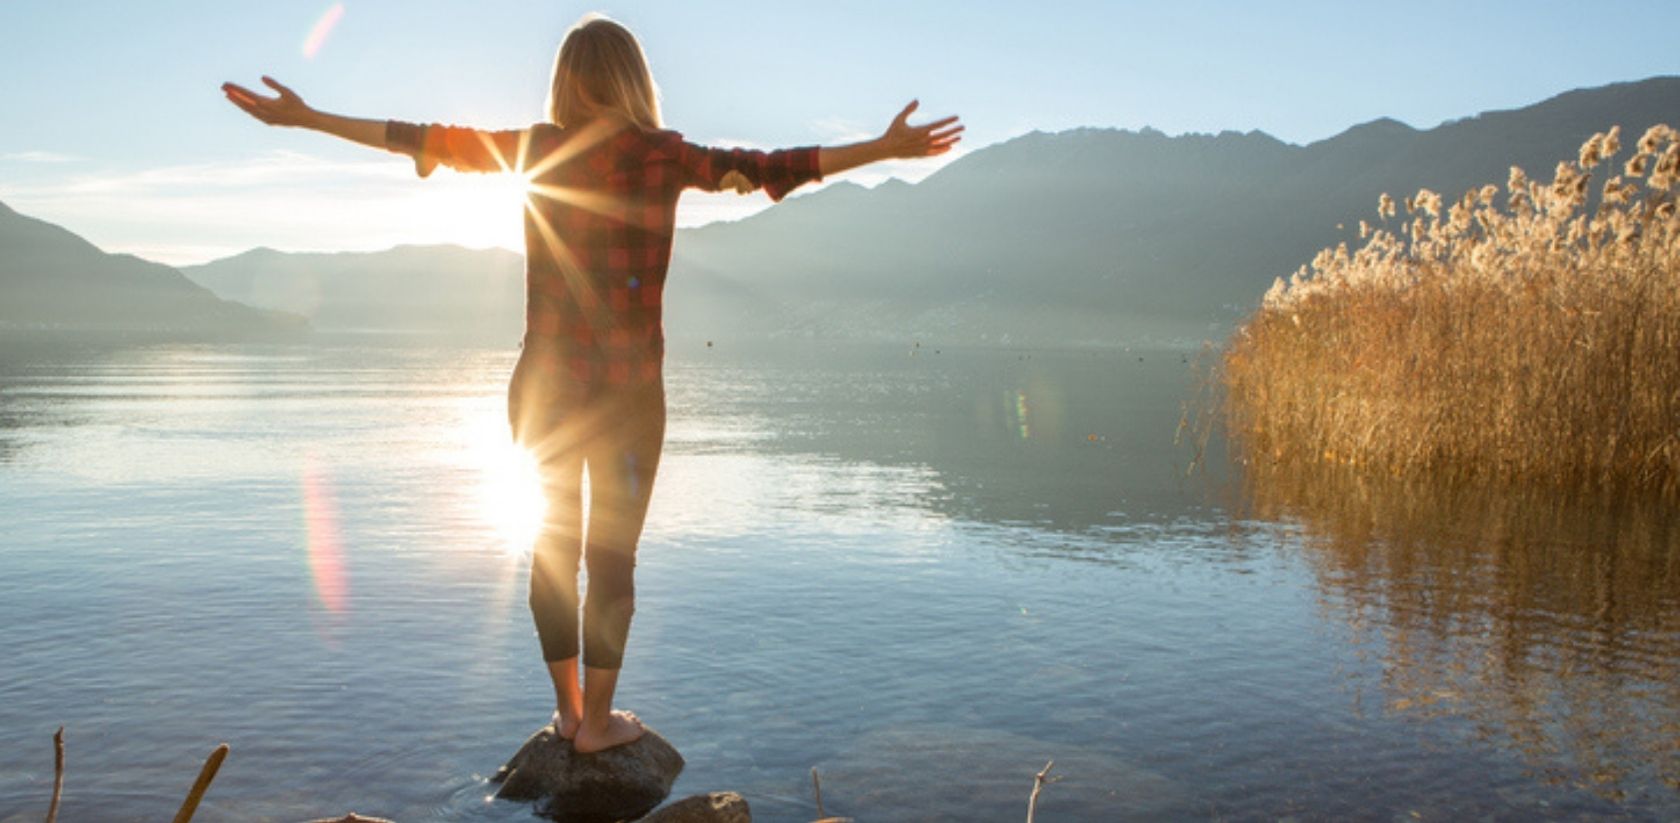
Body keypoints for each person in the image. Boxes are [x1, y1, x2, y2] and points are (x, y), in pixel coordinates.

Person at [223, 13, 961, 754]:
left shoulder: (536, 150)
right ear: (636, 80)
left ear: (565, 81)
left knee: (550, 547)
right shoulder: (665, 155)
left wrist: (309, 117)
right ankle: (600, 724)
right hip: (630, 393)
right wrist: (884, 147)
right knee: (612, 559)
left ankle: (569, 712)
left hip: (542, 385)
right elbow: (776, 166)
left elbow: (417, 137)